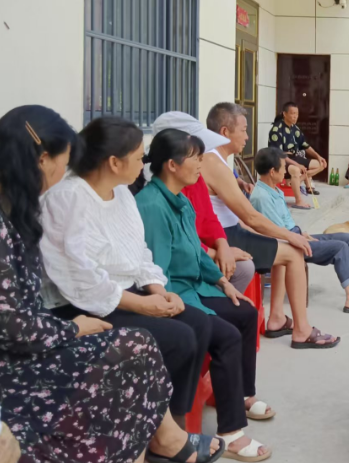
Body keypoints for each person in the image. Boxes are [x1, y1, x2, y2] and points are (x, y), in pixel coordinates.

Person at [0, 105, 217, 463]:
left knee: (175, 332)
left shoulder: (2, 202)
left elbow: (138, 252)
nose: (64, 173)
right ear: (42, 159)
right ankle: (158, 443)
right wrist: (74, 328)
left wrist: (155, 289)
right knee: (138, 345)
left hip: (35, 328)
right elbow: (12, 322)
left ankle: (165, 437)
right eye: (63, 162)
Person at [41, 117, 213, 429]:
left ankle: (176, 422)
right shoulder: (67, 199)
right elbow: (80, 279)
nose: (144, 163)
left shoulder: (121, 193)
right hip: (79, 304)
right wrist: (144, 305)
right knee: (179, 338)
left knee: (198, 323)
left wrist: (159, 291)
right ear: (114, 162)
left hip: (126, 293)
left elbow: (139, 251)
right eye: (138, 157)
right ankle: (157, 429)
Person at [136, 129, 272, 461]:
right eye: (195, 158)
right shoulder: (152, 205)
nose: (201, 164)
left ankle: (242, 395)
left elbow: (197, 251)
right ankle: (231, 432)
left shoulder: (180, 199)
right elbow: (156, 273)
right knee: (225, 335)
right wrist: (181, 307)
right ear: (172, 165)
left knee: (245, 312)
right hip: (176, 293)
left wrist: (223, 282)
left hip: (195, 286)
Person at [202, 102, 338, 348]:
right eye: (243, 130)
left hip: (231, 229)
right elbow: (251, 217)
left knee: (282, 245)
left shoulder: (219, 160)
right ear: (224, 132)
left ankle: (276, 317)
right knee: (293, 252)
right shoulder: (214, 162)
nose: (247, 137)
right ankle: (302, 330)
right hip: (226, 236)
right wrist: (291, 235)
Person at [250, 147, 349, 314]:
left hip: (294, 236)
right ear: (272, 171)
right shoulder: (262, 197)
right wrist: (300, 238)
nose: (285, 171)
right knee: (339, 247)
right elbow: (277, 233)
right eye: (283, 167)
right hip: (287, 245)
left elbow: (285, 224)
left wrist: (302, 233)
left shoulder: (274, 190)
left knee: (347, 238)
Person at [152, 112, 256, 292]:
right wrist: (215, 254)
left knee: (244, 268)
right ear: (172, 161)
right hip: (182, 270)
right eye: (195, 156)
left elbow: (208, 216)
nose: (201, 162)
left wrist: (222, 245)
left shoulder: (194, 178)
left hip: (201, 249)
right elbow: (177, 244)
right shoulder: (155, 199)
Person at [267, 102, 327, 209]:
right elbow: (279, 154)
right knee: (295, 170)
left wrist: (318, 156)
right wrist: (297, 165)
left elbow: (305, 145)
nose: (295, 116)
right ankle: (299, 201)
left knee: (320, 164)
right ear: (285, 114)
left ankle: (298, 180)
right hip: (280, 160)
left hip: (294, 157)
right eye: (292, 113)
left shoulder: (295, 129)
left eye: (297, 114)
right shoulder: (276, 129)